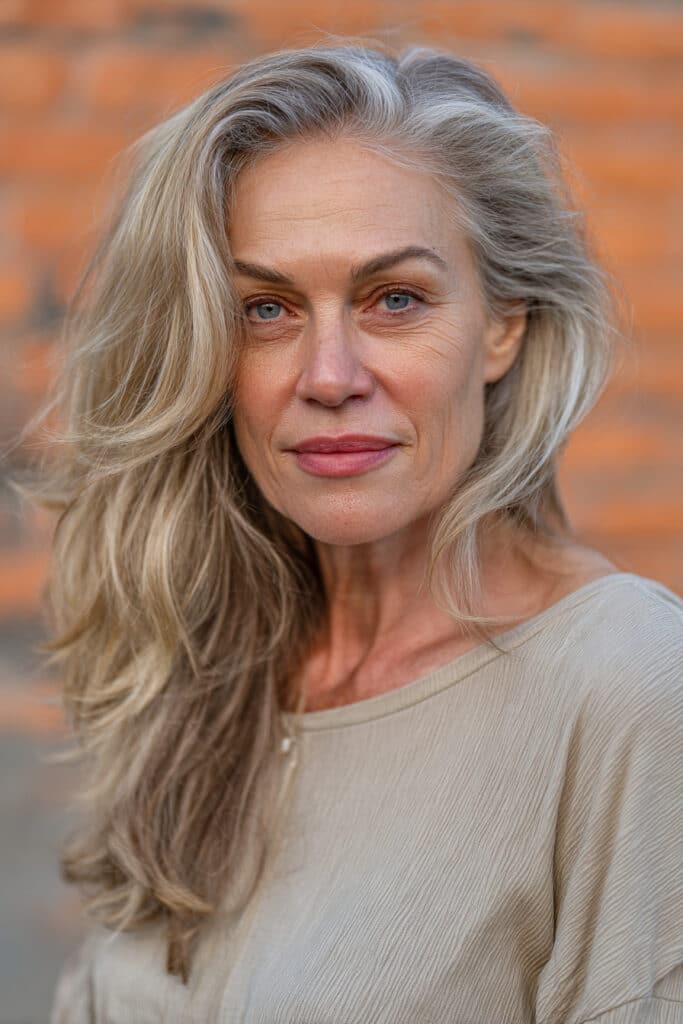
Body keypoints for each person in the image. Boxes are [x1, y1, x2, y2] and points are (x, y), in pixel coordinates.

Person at [39, 39, 682, 1023]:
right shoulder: (209, 665)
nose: (329, 374)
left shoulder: (621, 681)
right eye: (265, 308)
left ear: (501, 323)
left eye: (394, 299)